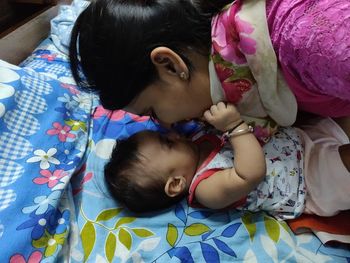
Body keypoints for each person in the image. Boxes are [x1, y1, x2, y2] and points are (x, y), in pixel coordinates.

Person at [69, 0, 350, 143]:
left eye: (153, 111)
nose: (167, 126)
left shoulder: (311, 43)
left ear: (170, 64)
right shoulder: (249, 60)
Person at [104, 102, 350, 219]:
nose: (173, 135)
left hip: (303, 140)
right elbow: (251, 174)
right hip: (310, 183)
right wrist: (234, 126)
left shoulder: (195, 142)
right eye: (167, 143)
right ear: (176, 183)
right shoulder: (207, 190)